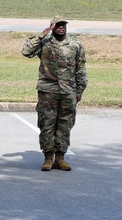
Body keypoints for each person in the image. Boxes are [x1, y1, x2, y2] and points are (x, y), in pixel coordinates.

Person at [21, 14, 88, 171]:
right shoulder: (44, 42)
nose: (61, 27)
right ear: (52, 27)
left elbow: (80, 68)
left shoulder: (75, 44)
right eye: (57, 25)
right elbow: (26, 51)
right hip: (48, 90)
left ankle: (60, 158)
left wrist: (80, 89)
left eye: (63, 24)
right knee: (47, 123)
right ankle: (48, 157)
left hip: (68, 91)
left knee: (65, 124)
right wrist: (41, 34)